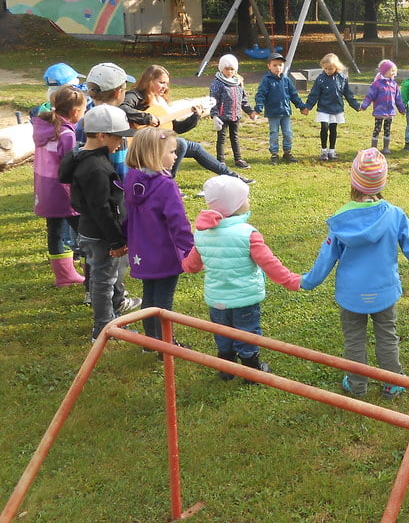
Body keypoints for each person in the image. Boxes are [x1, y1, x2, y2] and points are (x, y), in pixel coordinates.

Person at [300, 149, 409, 397]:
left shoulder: (341, 220)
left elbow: (326, 258)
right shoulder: (396, 215)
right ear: (383, 182)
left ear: (353, 181)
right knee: (387, 335)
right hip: (384, 291)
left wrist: (307, 282)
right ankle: (392, 382)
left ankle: (357, 385)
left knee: (354, 339)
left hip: (351, 294)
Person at [182, 175, 301, 379]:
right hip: (244, 299)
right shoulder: (248, 234)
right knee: (247, 332)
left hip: (217, 299)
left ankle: (226, 369)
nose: (249, 201)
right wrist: (291, 280)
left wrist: (182, 263)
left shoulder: (202, 233)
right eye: (245, 198)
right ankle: (251, 370)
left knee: (222, 331)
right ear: (235, 205)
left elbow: (191, 266)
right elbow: (269, 263)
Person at [58, 105, 142, 341]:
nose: (121, 142)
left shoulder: (84, 157)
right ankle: (103, 329)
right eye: (118, 137)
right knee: (104, 281)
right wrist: (116, 240)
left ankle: (109, 320)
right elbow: (101, 208)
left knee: (100, 277)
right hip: (101, 234)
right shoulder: (95, 167)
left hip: (90, 229)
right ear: (102, 135)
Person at [124, 127, 194, 347]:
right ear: (154, 154)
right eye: (171, 152)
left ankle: (150, 341)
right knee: (163, 301)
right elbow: (178, 222)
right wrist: (190, 250)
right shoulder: (165, 185)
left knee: (150, 296)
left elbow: (127, 216)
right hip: (164, 252)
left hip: (141, 251)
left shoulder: (132, 179)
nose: (175, 157)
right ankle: (165, 344)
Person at [125, 65, 253, 183]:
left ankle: (232, 176)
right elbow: (123, 108)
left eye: (166, 83)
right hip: (141, 143)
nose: (165, 87)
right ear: (149, 80)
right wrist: (147, 118)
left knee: (195, 147)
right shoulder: (136, 95)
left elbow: (176, 128)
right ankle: (166, 183)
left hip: (160, 141)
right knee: (180, 143)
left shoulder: (161, 100)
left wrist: (195, 116)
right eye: (161, 82)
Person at [32, 85, 87, 286]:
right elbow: (70, 165)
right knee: (84, 231)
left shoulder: (43, 128)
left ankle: (63, 275)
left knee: (54, 230)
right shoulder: (67, 134)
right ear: (75, 112)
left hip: (45, 190)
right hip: (64, 191)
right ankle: (93, 273)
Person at [302, 52, 361, 160]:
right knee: (324, 127)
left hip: (336, 108)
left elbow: (348, 94)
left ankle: (332, 151)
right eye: (325, 69)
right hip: (324, 108)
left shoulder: (342, 78)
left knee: (333, 129)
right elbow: (314, 94)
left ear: (336, 67)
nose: (327, 71)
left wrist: (356, 105)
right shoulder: (320, 79)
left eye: (330, 69)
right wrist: (308, 107)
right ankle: (324, 150)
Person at [255, 53, 307, 164]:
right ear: (269, 66)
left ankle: (287, 152)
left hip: (285, 112)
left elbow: (293, 94)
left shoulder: (286, 79)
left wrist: (301, 106)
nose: (277, 68)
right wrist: (259, 107)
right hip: (273, 113)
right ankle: (274, 154)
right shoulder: (266, 80)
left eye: (280, 65)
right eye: (274, 65)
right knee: (274, 133)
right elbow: (261, 94)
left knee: (288, 133)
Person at [209, 54, 257, 169]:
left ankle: (238, 159)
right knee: (221, 138)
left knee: (234, 137)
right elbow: (213, 100)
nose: (229, 72)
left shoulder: (238, 82)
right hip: (222, 117)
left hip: (235, 116)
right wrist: (215, 116)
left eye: (232, 69)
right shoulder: (218, 83)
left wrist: (250, 111)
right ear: (221, 69)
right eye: (227, 69)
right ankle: (220, 160)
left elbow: (243, 99)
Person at [359, 60, 405, 155]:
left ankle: (386, 147)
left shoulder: (394, 84)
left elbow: (398, 98)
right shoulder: (377, 84)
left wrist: (401, 109)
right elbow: (370, 96)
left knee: (387, 130)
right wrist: (364, 105)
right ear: (385, 71)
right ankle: (374, 148)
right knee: (377, 129)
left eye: (394, 71)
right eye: (392, 70)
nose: (394, 73)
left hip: (390, 112)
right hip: (379, 112)